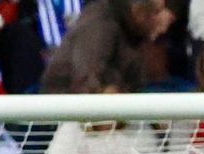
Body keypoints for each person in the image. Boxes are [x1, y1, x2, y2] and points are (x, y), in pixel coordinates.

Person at [40, 0, 173, 93]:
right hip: (72, 117)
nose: (166, 18)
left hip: (116, 114)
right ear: (138, 12)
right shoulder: (99, 26)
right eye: (157, 12)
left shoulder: (133, 32)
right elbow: (87, 81)